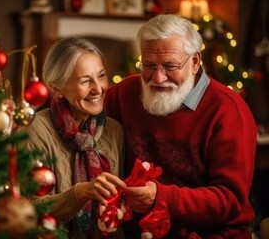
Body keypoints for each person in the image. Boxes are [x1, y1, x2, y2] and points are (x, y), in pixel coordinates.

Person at [105, 14, 257, 238]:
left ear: (195, 62)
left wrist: (161, 197)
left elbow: (230, 200)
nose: (157, 78)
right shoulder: (124, 94)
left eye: (170, 66)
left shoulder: (227, 111)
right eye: (148, 65)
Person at [23, 37, 126, 238]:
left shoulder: (114, 131)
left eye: (101, 76)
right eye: (85, 81)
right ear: (57, 89)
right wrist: (80, 193)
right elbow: (27, 212)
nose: (98, 88)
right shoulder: (35, 131)